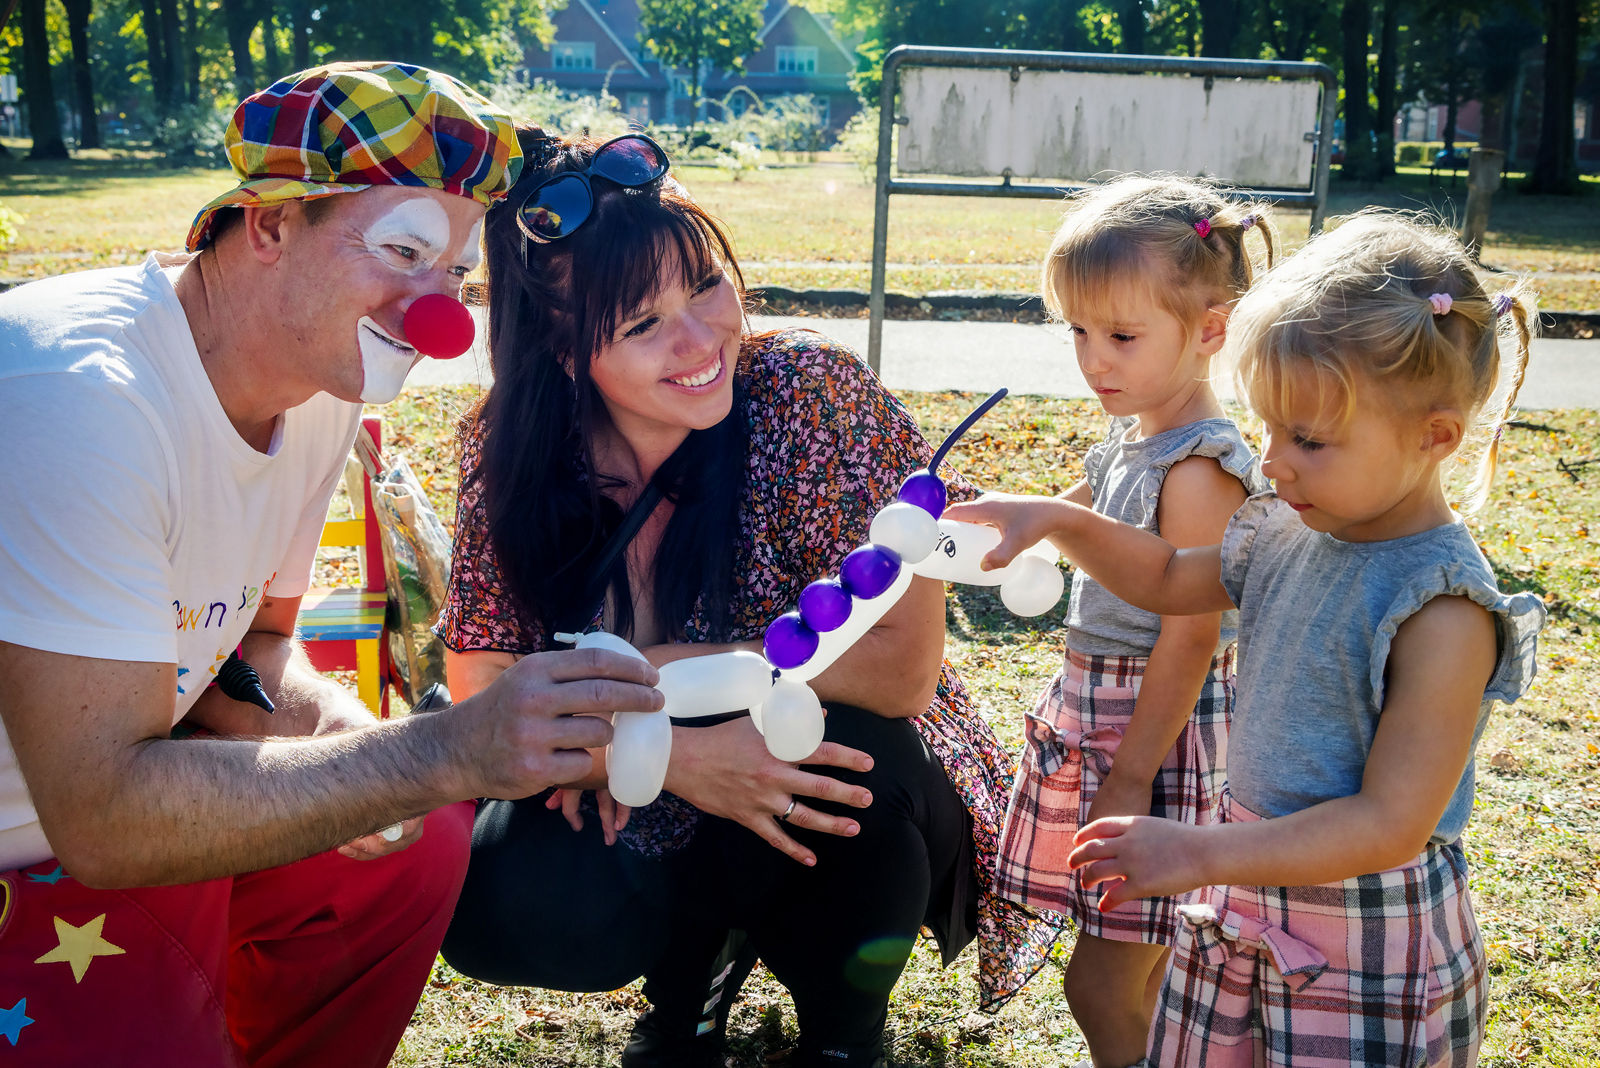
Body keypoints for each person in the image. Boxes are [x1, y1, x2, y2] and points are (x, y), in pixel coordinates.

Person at [0, 62, 662, 1067]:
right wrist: (438, 751)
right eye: (402, 252)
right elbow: (101, 819)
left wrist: (354, 743)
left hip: (117, 809)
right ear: (268, 224)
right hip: (60, 842)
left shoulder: (318, 382)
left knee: (413, 841)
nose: (434, 314)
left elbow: (249, 644)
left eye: (453, 275)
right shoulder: (78, 400)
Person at [434, 127, 1062, 1068]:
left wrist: (646, 676)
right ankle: (689, 981)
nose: (701, 340)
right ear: (565, 352)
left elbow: (899, 671)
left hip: (847, 750)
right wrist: (668, 757)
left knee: (843, 763)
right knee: (505, 901)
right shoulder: (515, 456)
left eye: (705, 286)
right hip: (634, 773)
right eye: (643, 324)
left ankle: (845, 1035)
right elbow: (482, 681)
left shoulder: (811, 395)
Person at [947, 211, 1547, 1067]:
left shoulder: (1441, 611)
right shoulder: (1285, 530)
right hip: (1247, 903)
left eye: (1307, 439)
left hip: (1359, 938)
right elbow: (1162, 578)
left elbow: (1390, 824)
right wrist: (1052, 519)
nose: (1270, 462)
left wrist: (1198, 850)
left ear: (1436, 437)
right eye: (1267, 427)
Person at [987, 176, 1273, 1068]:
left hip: (1151, 733)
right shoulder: (1136, 435)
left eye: (1120, 336)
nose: (1093, 359)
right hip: (1102, 711)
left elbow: (1191, 635)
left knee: (1102, 984)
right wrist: (1017, 525)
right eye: (1077, 331)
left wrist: (1131, 781)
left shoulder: (1200, 468)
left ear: (1211, 331)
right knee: (1140, 980)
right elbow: (1089, 514)